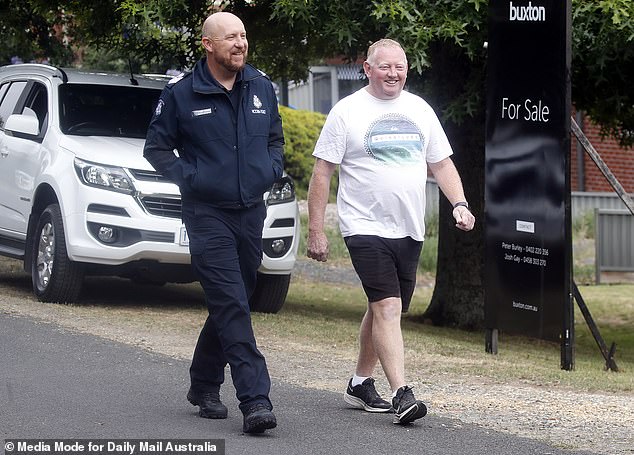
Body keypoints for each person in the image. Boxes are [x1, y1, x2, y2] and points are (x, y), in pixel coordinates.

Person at [306, 38, 476, 425]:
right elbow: (322, 172)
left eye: (399, 67)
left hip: (409, 228)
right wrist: (317, 229)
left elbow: (442, 164)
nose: (393, 74)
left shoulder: (419, 109)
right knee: (388, 307)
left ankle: (359, 382)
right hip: (364, 225)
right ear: (367, 69)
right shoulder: (347, 111)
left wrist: (461, 204)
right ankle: (402, 393)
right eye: (384, 67)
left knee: (381, 307)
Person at [143, 11, 283, 434]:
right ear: (208, 45)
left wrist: (268, 170)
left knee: (234, 297)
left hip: (250, 211)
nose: (240, 44)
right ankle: (255, 399)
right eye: (230, 38)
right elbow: (157, 148)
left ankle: (203, 383)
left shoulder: (260, 86)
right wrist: (194, 179)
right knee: (233, 302)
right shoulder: (182, 94)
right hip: (207, 215)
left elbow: (275, 140)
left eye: (243, 36)